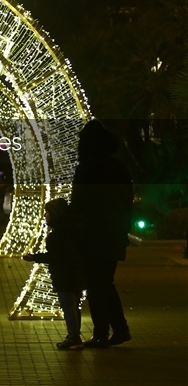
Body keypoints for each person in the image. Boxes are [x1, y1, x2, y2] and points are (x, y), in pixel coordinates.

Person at [70, 120, 133, 348]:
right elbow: (128, 201)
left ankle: (104, 332)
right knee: (104, 282)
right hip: (114, 235)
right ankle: (117, 328)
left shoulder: (87, 168)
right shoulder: (119, 167)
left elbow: (78, 203)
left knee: (97, 284)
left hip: (93, 236)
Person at [23, 198, 86, 350]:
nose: (45, 215)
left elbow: (55, 256)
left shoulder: (56, 236)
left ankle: (74, 337)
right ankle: (74, 335)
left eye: (47, 212)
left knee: (68, 307)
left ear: (55, 214)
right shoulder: (75, 230)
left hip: (64, 276)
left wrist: (34, 257)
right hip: (78, 274)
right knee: (75, 306)